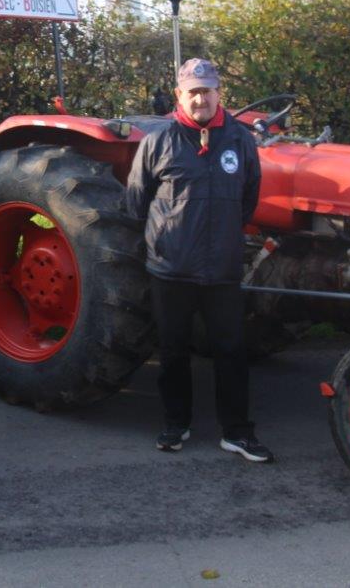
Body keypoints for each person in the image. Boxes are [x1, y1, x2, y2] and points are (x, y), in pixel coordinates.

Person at [125, 58, 272, 462]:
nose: (200, 98)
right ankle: (176, 424)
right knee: (173, 351)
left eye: (207, 90)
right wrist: (166, 240)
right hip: (171, 267)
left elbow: (249, 197)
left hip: (221, 266)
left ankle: (237, 432)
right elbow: (137, 201)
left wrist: (222, 235)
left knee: (231, 350)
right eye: (193, 91)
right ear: (180, 95)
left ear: (219, 93)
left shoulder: (240, 140)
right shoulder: (159, 140)